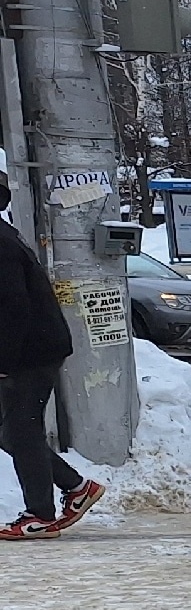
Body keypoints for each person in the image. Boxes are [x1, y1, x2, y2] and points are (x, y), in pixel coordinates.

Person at [0, 173, 106, 539]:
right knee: (10, 432)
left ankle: (41, 516)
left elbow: (13, 309)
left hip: (29, 353)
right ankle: (76, 487)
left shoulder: (1, 244)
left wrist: (4, 363)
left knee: (21, 431)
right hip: (29, 348)